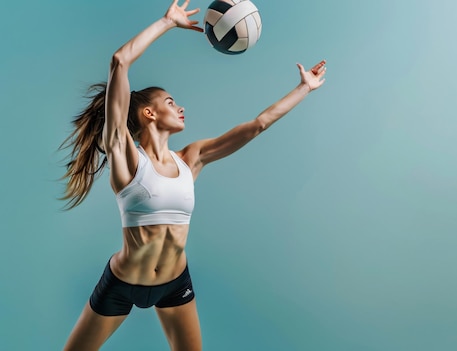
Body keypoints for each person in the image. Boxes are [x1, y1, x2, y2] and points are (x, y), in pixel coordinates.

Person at [59, 1, 326, 350]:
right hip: (123, 282)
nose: (180, 107)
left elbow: (257, 126)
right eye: (171, 102)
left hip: (174, 282)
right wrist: (167, 22)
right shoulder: (125, 156)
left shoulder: (191, 159)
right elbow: (119, 62)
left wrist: (304, 88)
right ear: (148, 113)